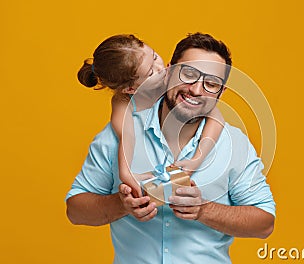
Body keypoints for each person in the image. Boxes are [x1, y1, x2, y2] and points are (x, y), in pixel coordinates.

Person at [66, 33, 275, 264]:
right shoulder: (119, 130)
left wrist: (203, 210)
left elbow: (265, 223)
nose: (197, 90)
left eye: (212, 84)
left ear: (221, 92)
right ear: (169, 72)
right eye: (188, 74)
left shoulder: (234, 145)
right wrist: (122, 204)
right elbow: (75, 210)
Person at [77, 34, 224, 197]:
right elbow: (127, 137)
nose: (161, 68)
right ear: (131, 89)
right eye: (150, 72)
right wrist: (127, 175)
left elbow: (216, 117)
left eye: (154, 56)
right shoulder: (123, 102)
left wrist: (196, 160)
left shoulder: (171, 81)